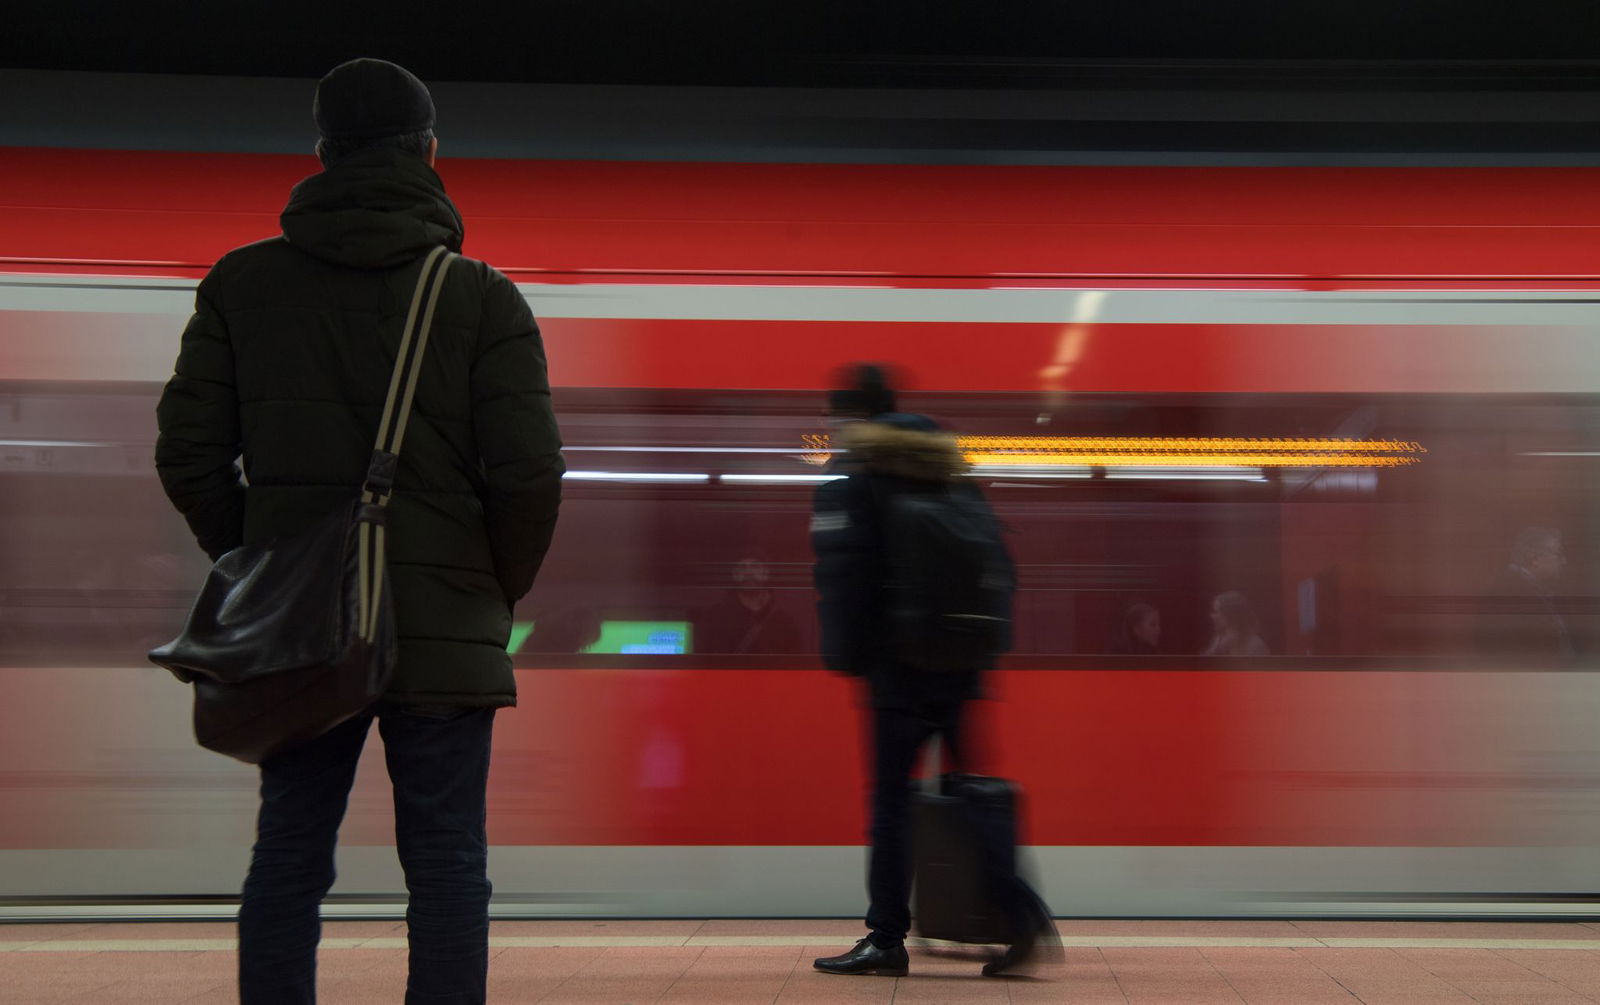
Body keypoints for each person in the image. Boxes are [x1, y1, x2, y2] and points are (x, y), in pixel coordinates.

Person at [154, 59, 563, 1005]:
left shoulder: (240, 286)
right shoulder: (481, 298)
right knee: (448, 865)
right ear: (429, 154)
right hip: (445, 627)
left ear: (323, 154)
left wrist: (264, 564)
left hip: (298, 632)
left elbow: (187, 455)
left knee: (289, 855)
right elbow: (532, 472)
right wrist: (489, 584)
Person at [809, 364, 1046, 978]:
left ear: (851, 415)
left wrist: (851, 659)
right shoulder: (950, 469)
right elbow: (1002, 566)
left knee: (892, 803)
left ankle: (886, 938)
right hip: (962, 668)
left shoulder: (857, 477)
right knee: (971, 794)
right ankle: (1020, 918)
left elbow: (844, 579)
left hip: (896, 673)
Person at [1477, 527, 1575, 664]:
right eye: (1558, 554)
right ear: (1534, 558)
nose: (1564, 562)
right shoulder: (1510, 592)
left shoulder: (1538, 592)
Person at [1202, 591, 1269, 656]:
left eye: (1216, 612)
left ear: (1230, 615)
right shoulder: (1218, 641)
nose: (1212, 616)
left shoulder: (1255, 646)